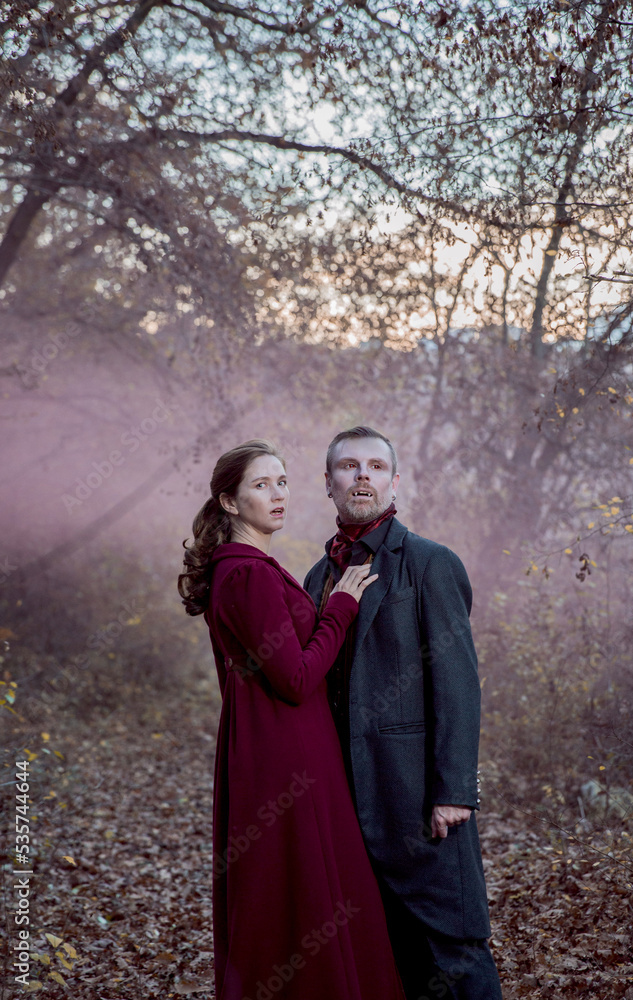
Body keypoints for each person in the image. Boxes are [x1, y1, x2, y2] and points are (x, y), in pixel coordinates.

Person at [177, 439, 405, 1000]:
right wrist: (341, 610)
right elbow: (296, 678)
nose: (278, 494)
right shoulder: (249, 575)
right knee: (306, 900)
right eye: (261, 484)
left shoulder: (243, 569)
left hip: (270, 748)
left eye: (282, 481)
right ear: (229, 503)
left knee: (299, 901)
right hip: (287, 755)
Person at [303, 426, 503, 1000]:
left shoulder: (431, 563)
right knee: (389, 957)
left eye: (373, 466)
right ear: (329, 483)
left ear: (395, 480)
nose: (361, 476)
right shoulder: (319, 579)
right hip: (348, 810)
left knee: (455, 950)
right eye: (347, 466)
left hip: (420, 801)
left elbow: (459, 684)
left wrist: (456, 790)